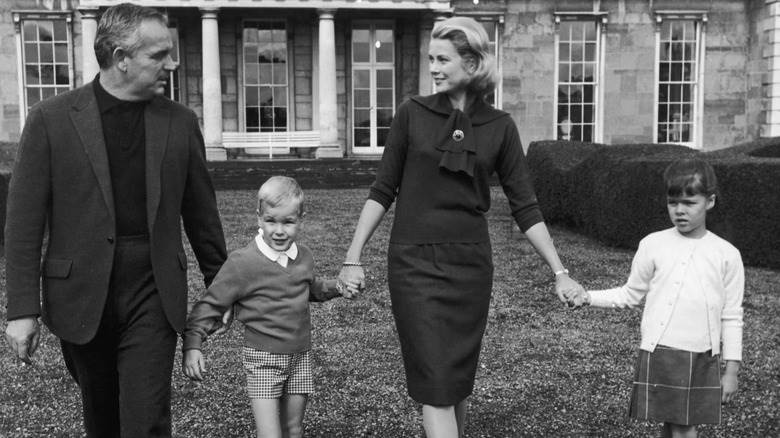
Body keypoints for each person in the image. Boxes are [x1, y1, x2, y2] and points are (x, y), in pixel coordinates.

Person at [338, 16, 584, 438]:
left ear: (472, 63)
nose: (433, 67)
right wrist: (352, 258)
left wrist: (559, 272)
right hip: (413, 265)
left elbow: (525, 207)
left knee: (455, 379)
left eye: (443, 59)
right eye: (431, 58)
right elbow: (382, 190)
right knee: (435, 384)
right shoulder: (411, 114)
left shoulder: (501, 127)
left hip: (469, 268)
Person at [3, 3, 227, 437]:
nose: (172, 64)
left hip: (154, 286)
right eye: (159, 55)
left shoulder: (181, 123)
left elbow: (202, 217)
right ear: (121, 57)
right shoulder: (50, 121)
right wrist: (22, 310)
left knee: (146, 419)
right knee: (102, 418)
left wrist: (222, 288)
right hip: (81, 291)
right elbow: (23, 224)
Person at [569, 158, 744, 438]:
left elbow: (732, 316)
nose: (679, 211)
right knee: (670, 424)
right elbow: (630, 294)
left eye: (689, 203)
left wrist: (731, 370)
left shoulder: (727, 254)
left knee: (684, 427)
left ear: (709, 202)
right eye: (673, 202)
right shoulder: (652, 244)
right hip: (660, 349)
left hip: (701, 355)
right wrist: (588, 297)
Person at [183, 176, 354, 438]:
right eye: (271, 220)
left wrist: (338, 287)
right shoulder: (243, 262)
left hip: (300, 356)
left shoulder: (304, 256)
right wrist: (193, 343)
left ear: (301, 219)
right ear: (259, 218)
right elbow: (211, 303)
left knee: (293, 430)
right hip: (263, 360)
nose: (279, 230)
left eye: (288, 222)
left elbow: (310, 288)